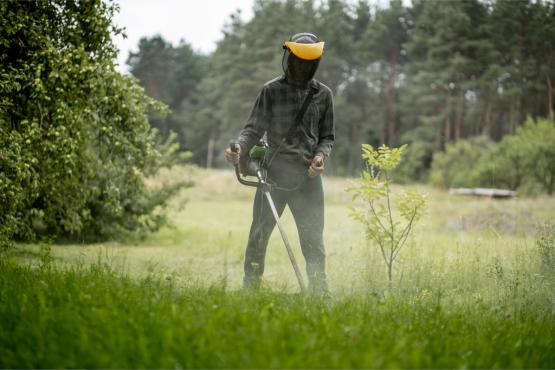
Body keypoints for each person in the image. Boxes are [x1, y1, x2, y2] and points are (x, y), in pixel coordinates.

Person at [225, 32, 334, 294]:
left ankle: (319, 292)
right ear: (289, 57)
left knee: (313, 239)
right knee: (258, 236)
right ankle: (250, 290)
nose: (302, 67)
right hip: (272, 178)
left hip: (308, 180)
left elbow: (327, 137)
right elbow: (252, 130)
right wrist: (239, 148)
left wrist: (320, 157)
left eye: (308, 62)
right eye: (298, 60)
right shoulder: (271, 91)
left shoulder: (324, 95)